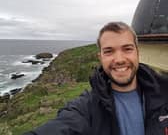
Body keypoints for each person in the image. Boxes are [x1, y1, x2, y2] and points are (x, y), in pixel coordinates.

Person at [24, 22, 168, 135]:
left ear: (138, 52)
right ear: (100, 57)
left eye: (127, 49)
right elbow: (63, 126)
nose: (119, 59)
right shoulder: (86, 107)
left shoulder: (164, 92)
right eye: (109, 51)